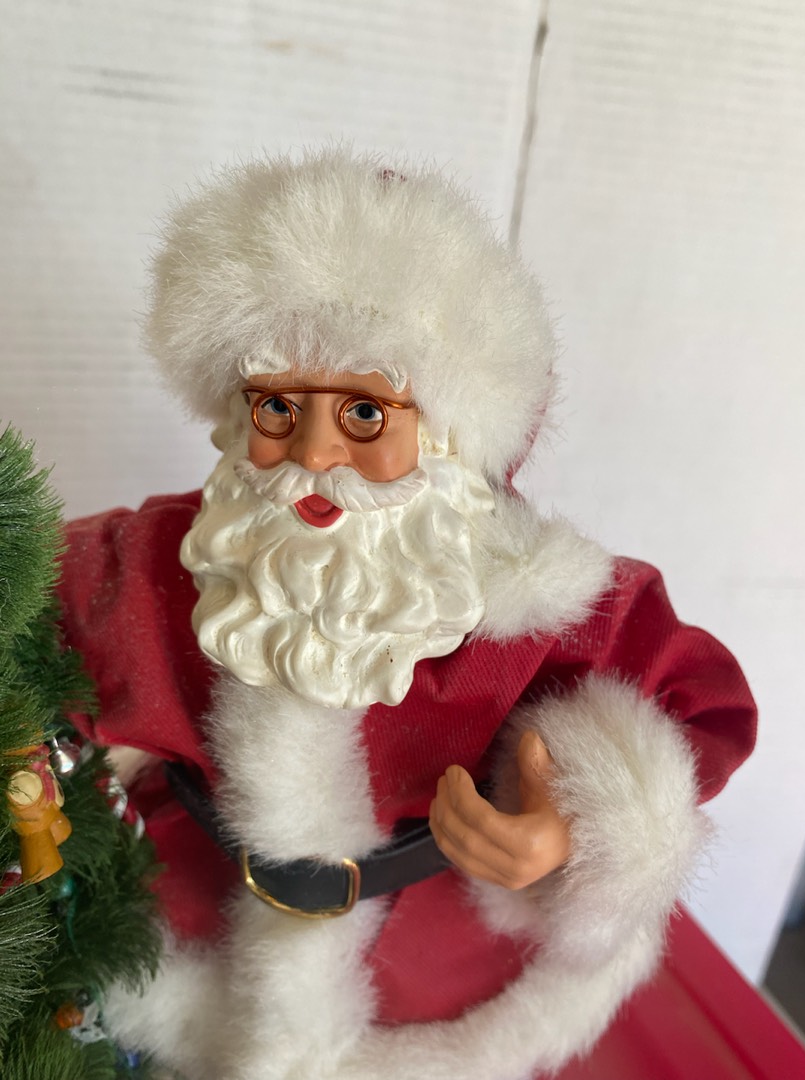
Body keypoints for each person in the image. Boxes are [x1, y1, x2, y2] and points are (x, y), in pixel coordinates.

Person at [58, 149, 756, 1080]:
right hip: (199, 946)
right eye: (277, 408)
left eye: (363, 417)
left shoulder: (538, 601)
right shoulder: (168, 561)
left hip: (428, 984)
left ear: (446, 432)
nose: (312, 453)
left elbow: (689, 705)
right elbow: (38, 626)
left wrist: (582, 829)